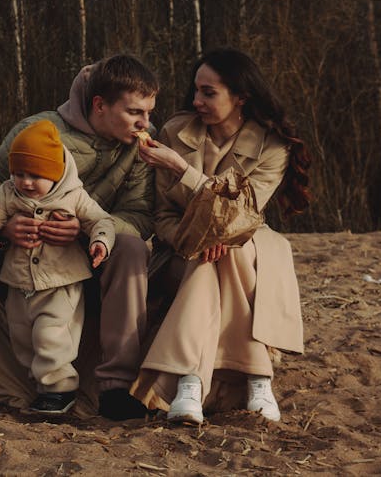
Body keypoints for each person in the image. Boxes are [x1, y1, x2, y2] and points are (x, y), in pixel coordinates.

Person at [0, 54, 159, 421]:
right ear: (100, 105)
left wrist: (85, 233)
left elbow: (141, 217)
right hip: (18, 266)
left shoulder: (141, 148)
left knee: (130, 247)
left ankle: (115, 387)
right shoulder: (35, 132)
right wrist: (3, 230)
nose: (146, 123)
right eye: (136, 113)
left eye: (148, 113)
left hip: (85, 272)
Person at [133, 47, 311, 423]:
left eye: (209, 93)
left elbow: (243, 213)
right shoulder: (173, 132)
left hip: (248, 244)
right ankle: (258, 377)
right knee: (206, 259)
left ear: (241, 97)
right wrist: (196, 240)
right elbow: (161, 215)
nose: (196, 100)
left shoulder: (272, 147)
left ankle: (189, 381)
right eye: (195, 90)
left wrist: (183, 169)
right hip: (181, 249)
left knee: (225, 254)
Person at [0, 119, 115, 415]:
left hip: (61, 283)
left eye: (35, 175)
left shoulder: (73, 196)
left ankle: (60, 390)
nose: (25, 182)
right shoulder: (9, 193)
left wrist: (99, 242)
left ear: (55, 173)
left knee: (51, 336)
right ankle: (38, 386)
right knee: (22, 337)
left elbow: (101, 221)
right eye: (18, 173)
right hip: (19, 283)